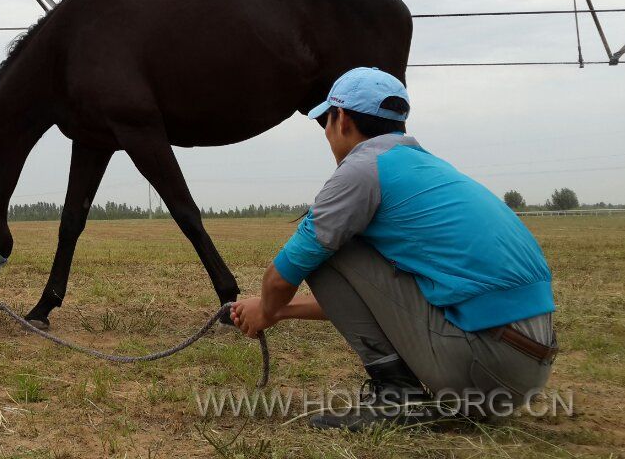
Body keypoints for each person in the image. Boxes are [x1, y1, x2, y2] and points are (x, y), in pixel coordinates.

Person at [230, 67, 557, 430]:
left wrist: (267, 308)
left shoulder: (362, 170)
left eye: (326, 119)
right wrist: (281, 312)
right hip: (523, 369)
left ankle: (396, 396)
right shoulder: (427, 167)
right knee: (334, 242)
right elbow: (383, 305)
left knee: (327, 246)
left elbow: (280, 279)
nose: (326, 131)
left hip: (484, 367)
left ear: (341, 120)